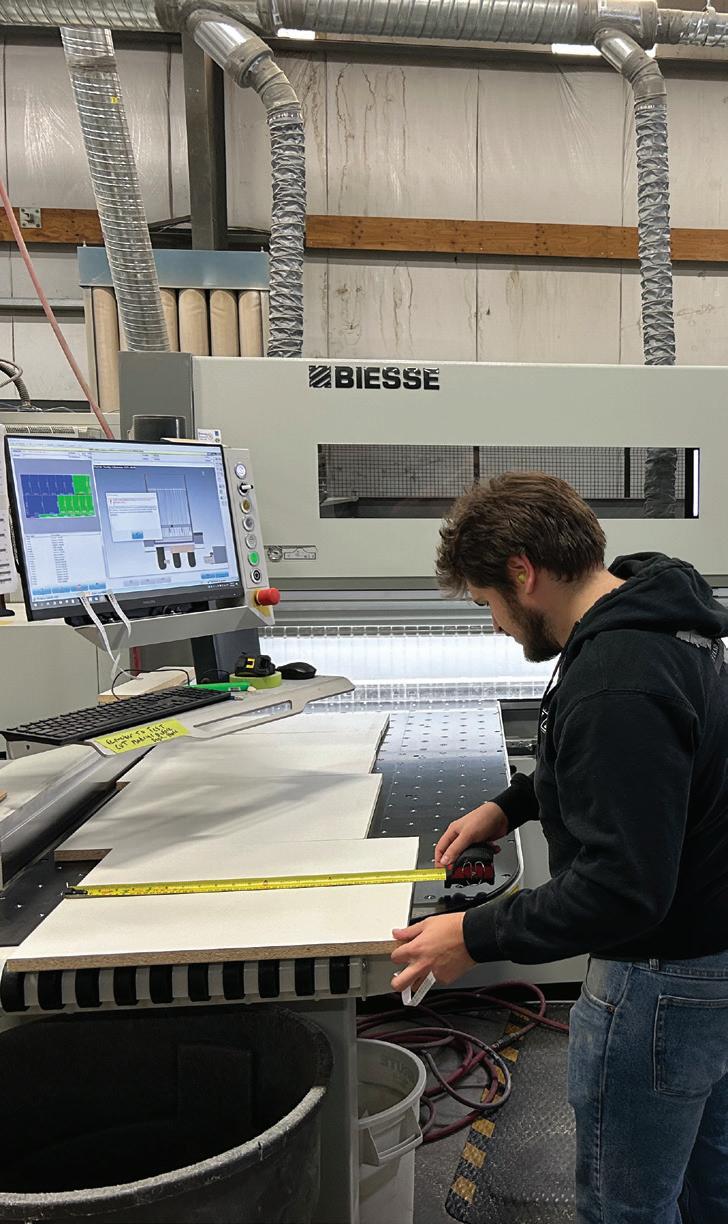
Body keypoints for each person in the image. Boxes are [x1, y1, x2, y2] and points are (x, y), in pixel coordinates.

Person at [390, 471, 728, 1224]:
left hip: (659, 981)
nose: (496, 626)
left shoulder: (618, 679)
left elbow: (622, 889)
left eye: (488, 603)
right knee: (707, 1185)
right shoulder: (652, 614)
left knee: (625, 1205)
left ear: (523, 573)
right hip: (709, 954)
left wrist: (472, 935)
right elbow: (634, 774)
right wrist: (510, 806)